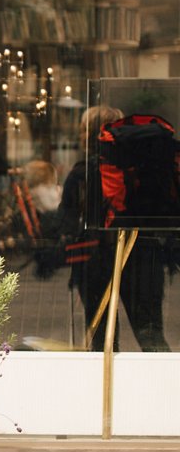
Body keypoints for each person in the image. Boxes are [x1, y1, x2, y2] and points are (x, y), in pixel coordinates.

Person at [56, 105, 169, 352]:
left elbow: (65, 220)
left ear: (87, 134)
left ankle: (106, 389)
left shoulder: (82, 172)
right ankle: (168, 386)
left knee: (101, 339)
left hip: (95, 260)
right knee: (150, 334)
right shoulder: (145, 171)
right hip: (144, 257)